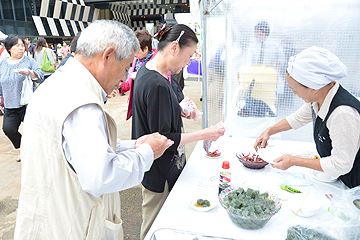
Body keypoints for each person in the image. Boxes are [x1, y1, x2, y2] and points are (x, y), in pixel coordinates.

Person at [14, 20, 173, 240]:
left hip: (47, 218)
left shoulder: (55, 85)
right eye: (126, 68)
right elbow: (101, 176)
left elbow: (80, 151)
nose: (124, 79)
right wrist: (147, 153)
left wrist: (134, 145)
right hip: (72, 227)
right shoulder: (83, 105)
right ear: (107, 56)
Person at [131, 24, 226, 240]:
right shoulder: (157, 84)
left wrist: (181, 108)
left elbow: (163, 111)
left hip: (162, 166)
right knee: (154, 227)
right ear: (174, 47)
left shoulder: (158, 74)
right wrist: (205, 133)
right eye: (189, 55)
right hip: (159, 170)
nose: (189, 62)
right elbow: (165, 139)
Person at [254, 46, 360, 189]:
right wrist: (269, 131)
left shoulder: (343, 113)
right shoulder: (318, 99)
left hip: (354, 184)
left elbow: (340, 165)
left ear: (314, 86)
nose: (294, 94)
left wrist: (294, 161)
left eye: (295, 90)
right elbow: (297, 118)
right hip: (338, 178)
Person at [0, 35, 44, 162]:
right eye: (17, 45)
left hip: (28, 103)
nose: (21, 48)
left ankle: (35, 151)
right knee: (8, 129)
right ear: (9, 48)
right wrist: (1, 99)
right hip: (10, 104)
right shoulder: (2, 64)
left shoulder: (29, 61)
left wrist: (30, 73)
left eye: (22, 45)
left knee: (35, 130)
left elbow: (40, 77)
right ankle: (24, 148)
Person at [119, 29, 160, 119]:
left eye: (136, 50)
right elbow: (130, 82)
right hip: (137, 102)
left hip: (152, 103)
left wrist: (141, 76)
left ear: (146, 49)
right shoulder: (136, 60)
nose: (134, 54)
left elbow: (162, 83)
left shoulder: (158, 60)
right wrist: (120, 87)